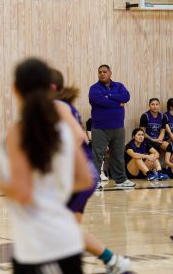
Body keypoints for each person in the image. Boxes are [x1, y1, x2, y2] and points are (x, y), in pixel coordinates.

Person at [0, 58, 93, 273]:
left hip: (38, 247)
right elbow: (85, 179)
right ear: (50, 88)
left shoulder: (17, 132)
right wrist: (53, 193)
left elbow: (23, 193)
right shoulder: (62, 130)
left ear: (15, 89)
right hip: (68, 240)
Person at [50, 69, 131, 274]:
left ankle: (107, 261)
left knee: (62, 227)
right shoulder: (63, 104)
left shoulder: (57, 106)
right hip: (80, 174)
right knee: (65, 227)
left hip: (79, 175)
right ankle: (112, 261)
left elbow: (79, 137)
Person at [89, 65, 134, 188]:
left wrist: (110, 96)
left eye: (104, 72)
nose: (102, 74)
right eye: (99, 72)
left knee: (118, 154)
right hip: (100, 128)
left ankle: (121, 180)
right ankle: (95, 181)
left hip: (118, 127)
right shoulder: (94, 89)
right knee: (98, 155)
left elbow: (126, 97)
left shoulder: (119, 86)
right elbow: (101, 102)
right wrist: (117, 102)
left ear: (110, 73)